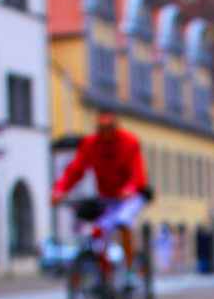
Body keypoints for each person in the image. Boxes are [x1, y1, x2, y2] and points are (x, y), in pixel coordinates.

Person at [51, 109, 150, 272]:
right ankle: (105, 275)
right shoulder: (91, 144)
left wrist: (130, 188)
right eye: (101, 128)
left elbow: (137, 173)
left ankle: (131, 269)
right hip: (107, 197)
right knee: (99, 232)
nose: (105, 133)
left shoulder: (129, 142)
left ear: (115, 127)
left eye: (109, 128)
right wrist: (60, 190)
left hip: (129, 196)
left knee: (123, 222)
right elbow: (75, 170)